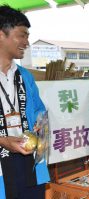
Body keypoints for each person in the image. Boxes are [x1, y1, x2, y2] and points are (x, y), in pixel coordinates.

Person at [0, 5, 50, 199]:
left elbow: (39, 110)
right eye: (22, 35)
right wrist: (3, 141)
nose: (26, 42)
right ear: (1, 34)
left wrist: (40, 124)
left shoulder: (25, 76)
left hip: (29, 163)